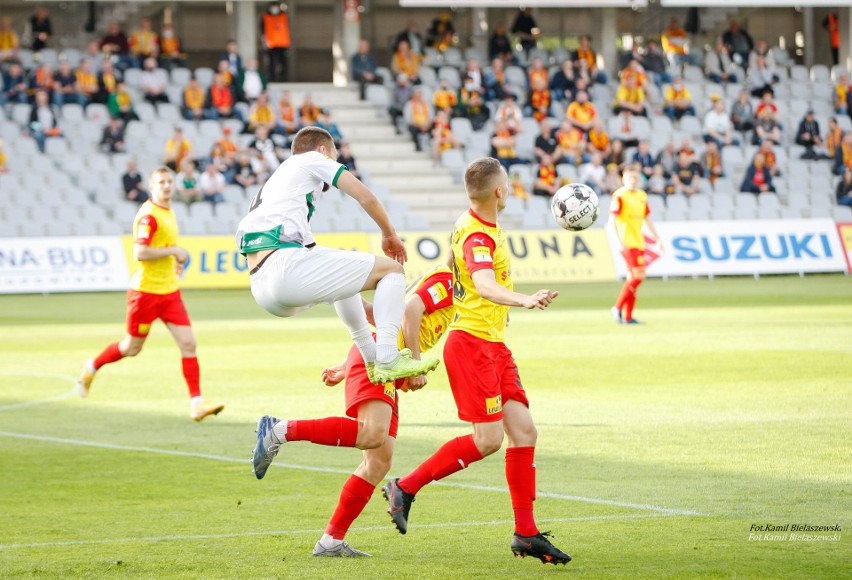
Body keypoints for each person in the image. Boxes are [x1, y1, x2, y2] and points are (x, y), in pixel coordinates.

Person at [381, 157, 570, 566]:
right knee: (488, 440)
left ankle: (526, 532)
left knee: (524, 431)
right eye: (508, 184)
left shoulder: (475, 224)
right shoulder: (477, 237)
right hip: (472, 346)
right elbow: (483, 282)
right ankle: (405, 487)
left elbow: (461, 272)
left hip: (495, 345)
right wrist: (523, 299)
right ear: (499, 192)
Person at [252, 265, 455, 557]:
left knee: (378, 462)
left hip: (381, 360)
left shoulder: (458, 293)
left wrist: (347, 366)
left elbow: (380, 316)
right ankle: (279, 430)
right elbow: (410, 310)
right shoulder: (450, 279)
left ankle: (331, 541)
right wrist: (414, 362)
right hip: (383, 360)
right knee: (371, 433)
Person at [235, 126, 440, 386]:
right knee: (392, 270)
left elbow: (323, 266)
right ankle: (388, 357)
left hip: (263, 288)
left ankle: (372, 358)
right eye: (334, 157)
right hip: (283, 265)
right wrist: (389, 234)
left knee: (342, 282)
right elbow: (366, 197)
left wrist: (371, 310)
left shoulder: (281, 186)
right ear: (323, 151)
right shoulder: (311, 159)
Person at [77, 167, 225, 423]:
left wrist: (176, 258)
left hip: (169, 293)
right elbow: (140, 253)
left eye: (169, 181)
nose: (167, 186)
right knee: (131, 348)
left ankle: (197, 404)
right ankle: (92, 366)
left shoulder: (168, 211)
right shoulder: (148, 216)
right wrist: (173, 251)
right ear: (151, 186)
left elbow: (164, 248)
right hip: (145, 294)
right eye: (161, 182)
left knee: (189, 344)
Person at [609, 165, 662, 325]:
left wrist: (657, 239)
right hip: (626, 242)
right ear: (623, 179)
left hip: (639, 241)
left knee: (633, 278)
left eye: (635, 178)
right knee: (639, 276)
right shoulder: (619, 196)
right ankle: (617, 307)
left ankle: (628, 316)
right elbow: (612, 220)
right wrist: (618, 241)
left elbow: (647, 219)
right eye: (629, 178)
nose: (632, 180)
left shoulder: (642, 195)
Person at [261, 2, 290, 82]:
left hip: (282, 44)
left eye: (276, 7)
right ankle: (271, 77)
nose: (274, 9)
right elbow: (262, 31)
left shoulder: (284, 16)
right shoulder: (265, 17)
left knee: (282, 62)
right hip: (271, 44)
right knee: (271, 63)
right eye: (273, 7)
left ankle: (283, 78)